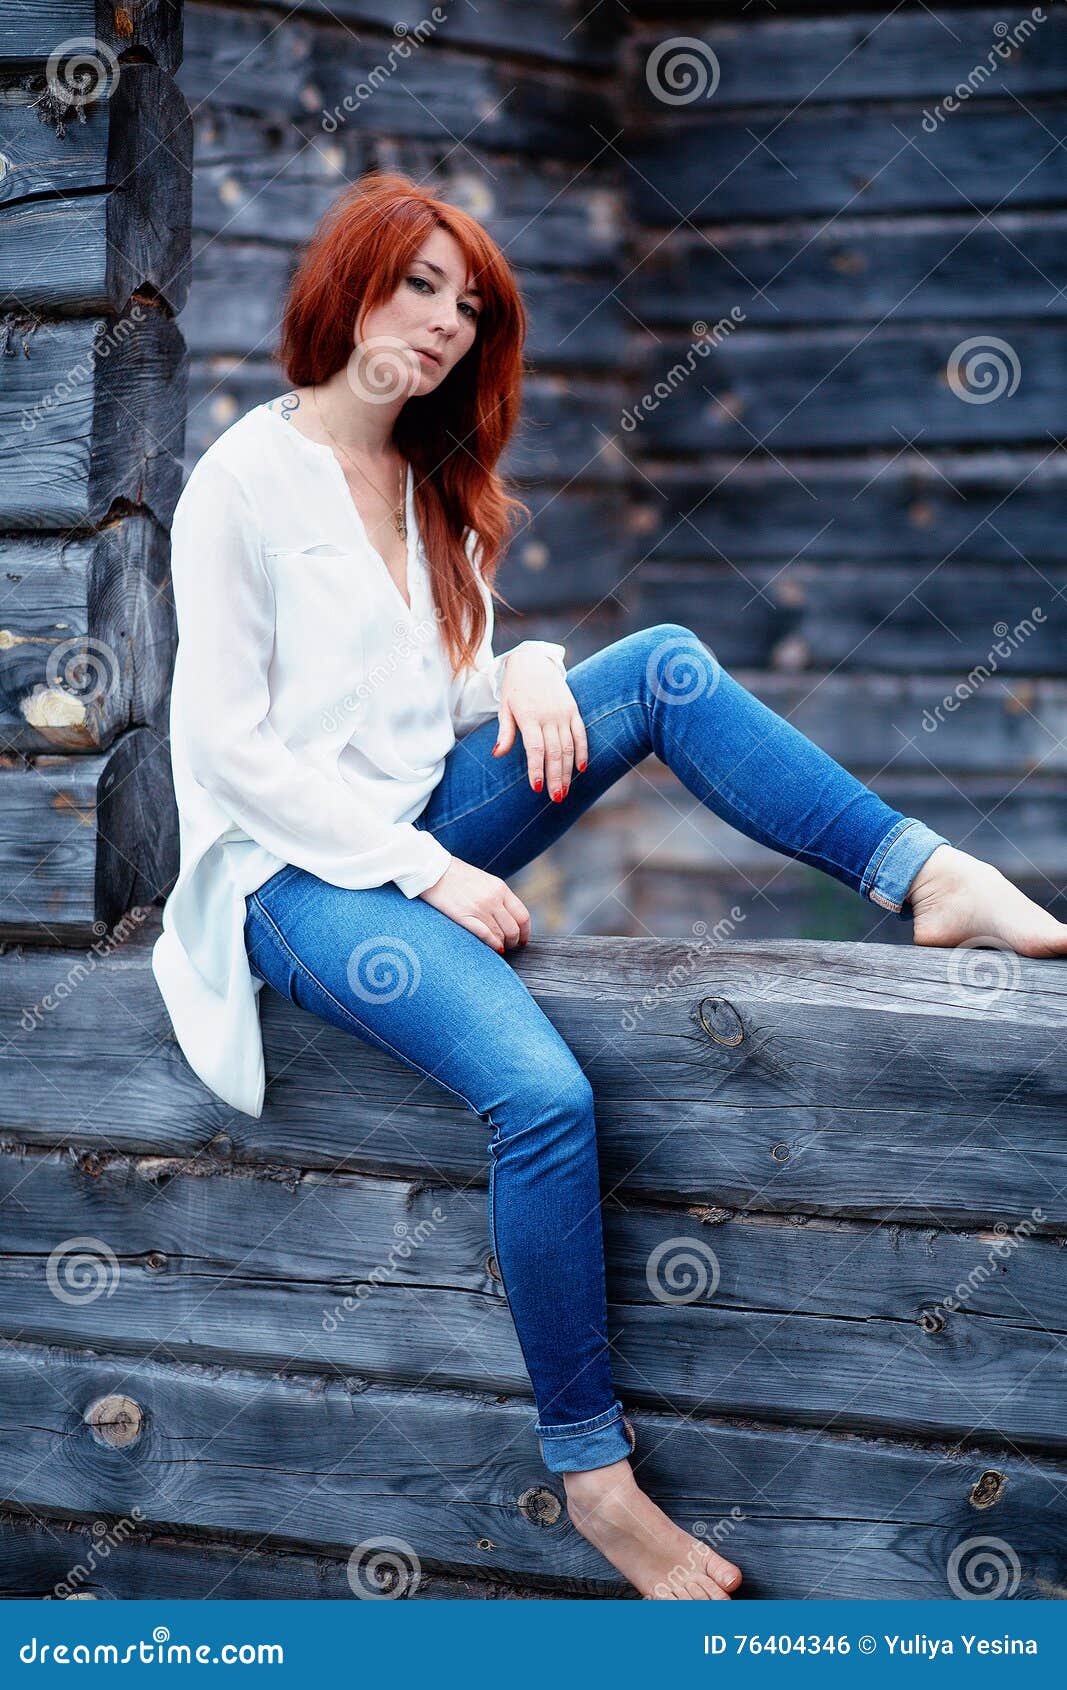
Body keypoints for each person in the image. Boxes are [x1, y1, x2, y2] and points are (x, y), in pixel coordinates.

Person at [152, 170, 1067, 1601]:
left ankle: (928, 872)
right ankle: (596, 1477)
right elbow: (226, 749)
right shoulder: (243, 480)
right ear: (349, 283)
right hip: (292, 878)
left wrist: (516, 664)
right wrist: (425, 871)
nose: (446, 322)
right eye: (419, 285)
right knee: (545, 1096)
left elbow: (435, 690)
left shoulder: (425, 480)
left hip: (412, 827)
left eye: (469, 303)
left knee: (660, 665)